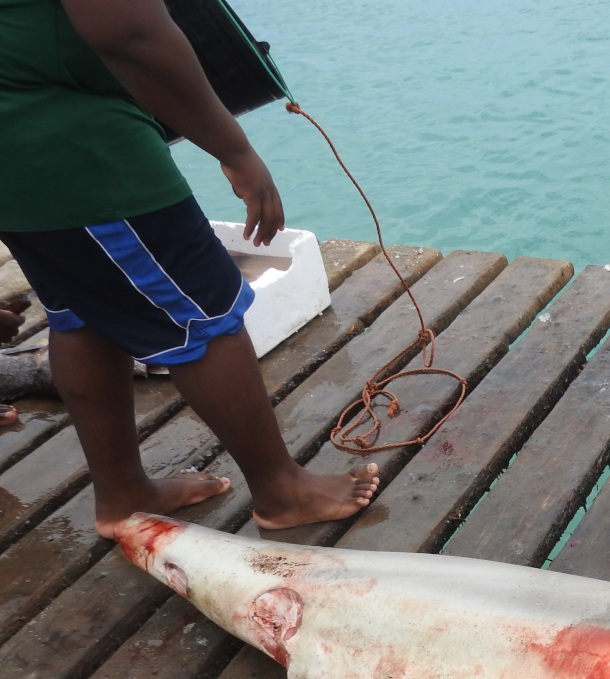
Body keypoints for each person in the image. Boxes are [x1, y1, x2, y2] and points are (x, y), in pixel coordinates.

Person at [0, 0, 379, 536]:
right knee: (202, 313)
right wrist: (235, 150)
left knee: (79, 311)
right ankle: (281, 491)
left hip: (18, 150)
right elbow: (132, 33)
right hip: (75, 149)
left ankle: (122, 493)